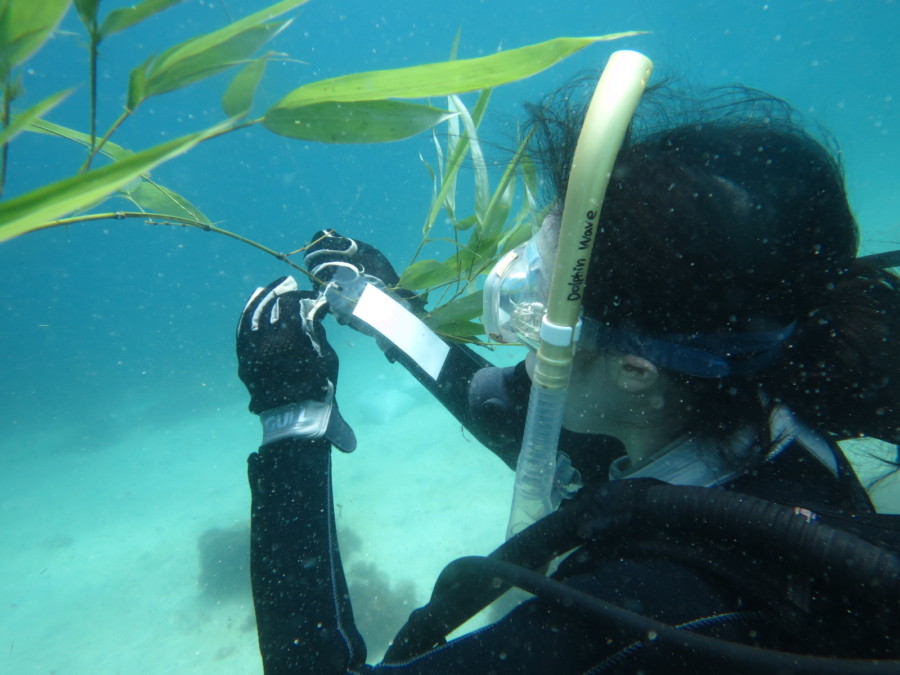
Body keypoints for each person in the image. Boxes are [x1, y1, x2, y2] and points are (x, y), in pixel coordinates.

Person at [236, 83, 900, 673]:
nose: (514, 305)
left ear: (635, 370)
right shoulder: (749, 408)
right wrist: (386, 311)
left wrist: (292, 420)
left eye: (542, 300)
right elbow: (514, 420)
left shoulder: (639, 612)